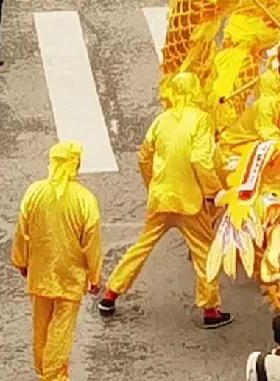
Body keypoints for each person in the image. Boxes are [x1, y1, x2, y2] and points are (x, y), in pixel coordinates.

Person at [98, 71, 232, 329]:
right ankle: (211, 309)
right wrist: (214, 192)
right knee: (204, 252)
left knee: (142, 246)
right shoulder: (201, 120)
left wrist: (153, 185)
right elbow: (201, 160)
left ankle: (111, 292)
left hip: (161, 197)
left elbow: (144, 157)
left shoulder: (161, 120)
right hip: (190, 201)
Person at [12, 141, 103, 381]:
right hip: (71, 274)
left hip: (41, 270)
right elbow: (91, 242)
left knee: (41, 324)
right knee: (62, 328)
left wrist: (21, 260)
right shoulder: (85, 199)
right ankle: (53, 375)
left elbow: (23, 230)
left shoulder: (34, 192)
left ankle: (45, 369)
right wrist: (94, 275)